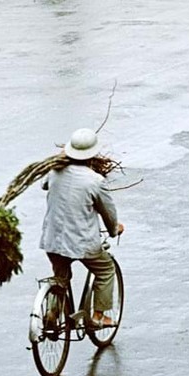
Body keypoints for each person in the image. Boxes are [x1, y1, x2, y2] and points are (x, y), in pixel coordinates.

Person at [40, 127, 125, 328]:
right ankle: (98, 316)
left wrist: (59, 161)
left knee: (60, 278)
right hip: (83, 244)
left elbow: (44, 185)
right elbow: (108, 213)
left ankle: (52, 312)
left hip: (53, 241)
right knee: (106, 270)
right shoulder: (95, 181)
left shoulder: (54, 172)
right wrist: (114, 230)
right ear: (93, 155)